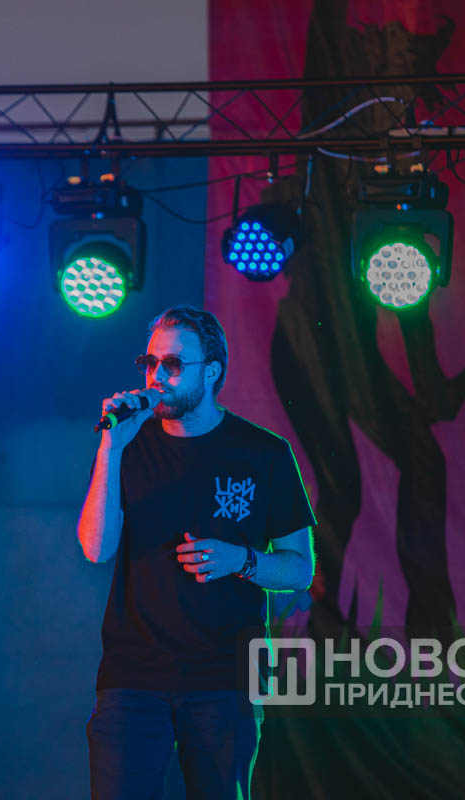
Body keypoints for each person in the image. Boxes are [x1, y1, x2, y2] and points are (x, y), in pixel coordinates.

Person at [78, 304, 316, 800]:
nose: (156, 376)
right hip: (133, 674)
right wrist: (110, 449)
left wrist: (241, 561)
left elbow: (299, 569)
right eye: (149, 363)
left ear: (211, 372)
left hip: (224, 676)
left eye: (172, 364)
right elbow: (96, 548)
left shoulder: (264, 453)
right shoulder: (128, 444)